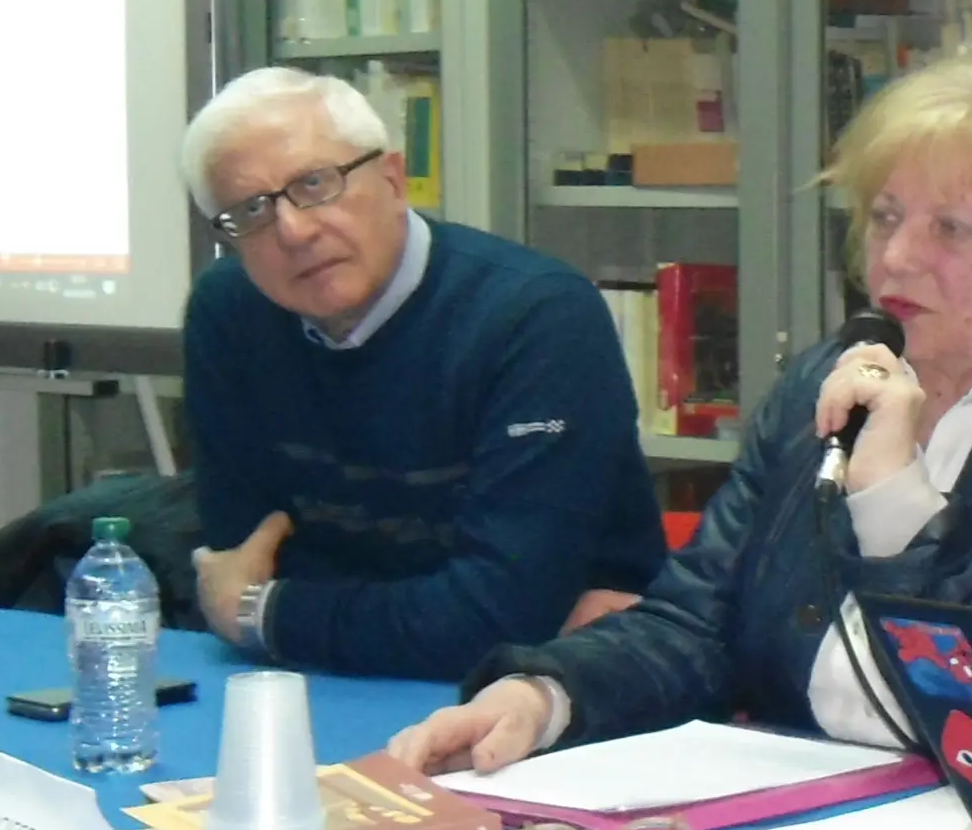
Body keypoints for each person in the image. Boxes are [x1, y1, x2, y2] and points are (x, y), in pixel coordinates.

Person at [389, 55, 972, 778]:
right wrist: (545, 694)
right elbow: (693, 625)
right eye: (886, 215)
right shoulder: (822, 383)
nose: (894, 257)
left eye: (954, 229)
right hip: (801, 814)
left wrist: (891, 495)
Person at [178, 67, 663, 683]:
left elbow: (500, 618)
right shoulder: (230, 315)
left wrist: (261, 612)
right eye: (251, 211)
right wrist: (425, 618)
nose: (294, 231)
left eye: (315, 184)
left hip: (548, 701)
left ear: (393, 179)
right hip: (322, 683)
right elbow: (242, 554)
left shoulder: (534, 317)